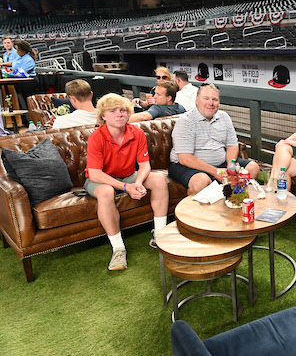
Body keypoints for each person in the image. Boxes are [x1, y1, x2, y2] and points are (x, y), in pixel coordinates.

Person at [85, 94, 169, 271]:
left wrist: (137, 182)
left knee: (159, 179)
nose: (119, 114)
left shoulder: (136, 133)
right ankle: (118, 249)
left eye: (123, 110)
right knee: (107, 192)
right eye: (113, 111)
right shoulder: (96, 137)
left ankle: (159, 235)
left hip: (129, 175)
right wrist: (125, 187)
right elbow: (94, 174)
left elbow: (145, 165)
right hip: (101, 179)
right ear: (103, 116)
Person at [169, 83, 259, 196]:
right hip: (186, 166)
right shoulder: (185, 121)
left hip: (221, 164)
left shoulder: (224, 117)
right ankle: (192, 212)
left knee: (253, 168)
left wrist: (231, 166)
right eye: (206, 98)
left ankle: (234, 202)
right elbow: (185, 158)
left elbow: (232, 145)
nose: (210, 103)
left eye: (214, 99)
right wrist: (216, 172)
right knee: (201, 181)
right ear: (197, 100)